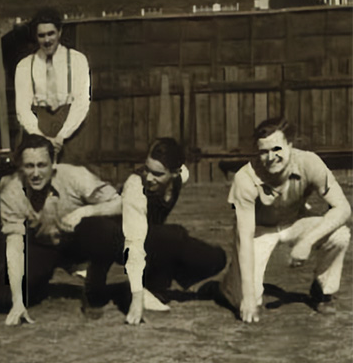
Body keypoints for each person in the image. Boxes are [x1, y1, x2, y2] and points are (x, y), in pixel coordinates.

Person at [220, 117, 350, 322]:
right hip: (259, 230)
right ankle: (230, 285)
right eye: (264, 152)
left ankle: (323, 292)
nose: (270, 157)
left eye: (277, 149)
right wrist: (247, 297)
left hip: (295, 223)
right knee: (246, 302)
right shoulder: (244, 178)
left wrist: (307, 242)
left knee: (340, 234)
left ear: (290, 144)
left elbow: (342, 208)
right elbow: (244, 238)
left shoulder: (310, 162)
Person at [0, 134, 121, 326]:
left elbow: (119, 204)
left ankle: (94, 289)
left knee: (106, 230)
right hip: (42, 245)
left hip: (76, 242)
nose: (36, 173)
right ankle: (41, 282)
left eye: (42, 165)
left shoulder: (75, 175)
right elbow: (14, 244)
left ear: (53, 163)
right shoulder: (11, 192)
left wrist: (85, 211)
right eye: (29, 166)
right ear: (20, 167)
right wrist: (18, 300)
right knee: (1, 297)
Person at [117, 138, 226, 325]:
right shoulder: (136, 186)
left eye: (157, 174)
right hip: (124, 242)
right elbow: (133, 239)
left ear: (175, 173)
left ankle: (157, 283)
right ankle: (142, 288)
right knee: (174, 234)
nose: (149, 177)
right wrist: (136, 301)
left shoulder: (181, 176)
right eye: (147, 170)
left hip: (154, 243)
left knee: (217, 258)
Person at [14, 8, 90, 164]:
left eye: (51, 33)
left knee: (71, 177)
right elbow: (22, 108)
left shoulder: (77, 60)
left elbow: (81, 102)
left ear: (59, 32)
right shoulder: (25, 66)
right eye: (41, 35)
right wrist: (41, 138)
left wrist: (63, 135)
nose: (47, 40)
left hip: (70, 129)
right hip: (37, 128)